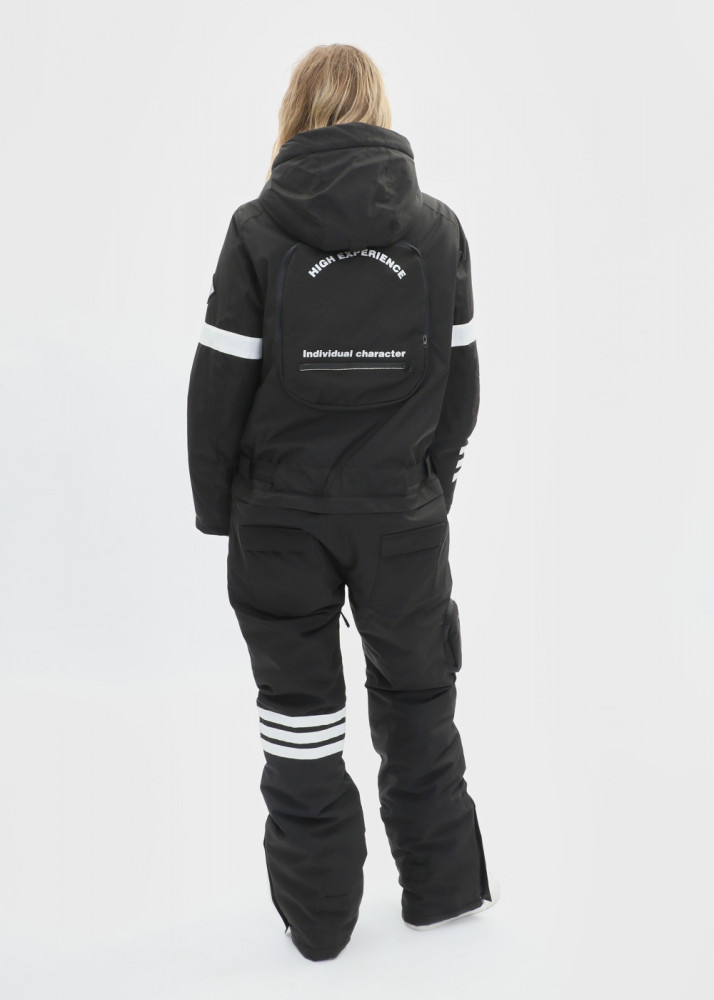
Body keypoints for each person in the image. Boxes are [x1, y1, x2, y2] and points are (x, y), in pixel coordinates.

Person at [186, 42, 498, 962]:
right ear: (379, 109)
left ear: (296, 111)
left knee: (301, 720)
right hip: (402, 520)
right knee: (420, 698)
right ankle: (441, 891)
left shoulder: (257, 230)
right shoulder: (437, 232)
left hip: (281, 524)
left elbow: (216, 391)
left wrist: (219, 512)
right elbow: (463, 386)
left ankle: (320, 923)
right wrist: (430, 485)